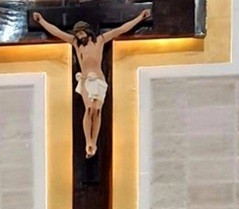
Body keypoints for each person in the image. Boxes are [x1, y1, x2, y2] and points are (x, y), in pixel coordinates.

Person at [32, 9, 152, 158]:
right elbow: (57, 32)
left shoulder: (100, 40)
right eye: (77, 33)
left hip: (99, 79)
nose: (79, 35)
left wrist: (140, 17)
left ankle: (93, 143)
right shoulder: (76, 44)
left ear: (87, 31)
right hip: (86, 80)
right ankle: (88, 141)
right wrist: (41, 20)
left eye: (81, 32)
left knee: (97, 110)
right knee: (89, 109)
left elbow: (120, 29)